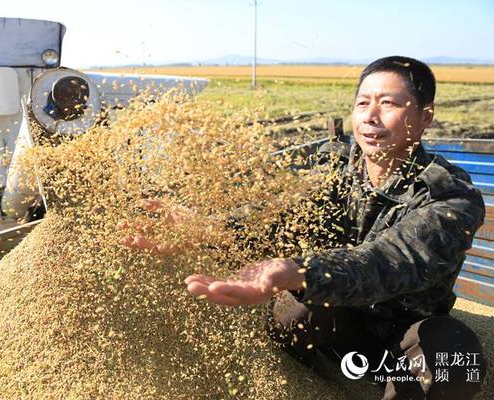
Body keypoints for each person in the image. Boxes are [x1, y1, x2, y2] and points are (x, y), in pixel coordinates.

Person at [124, 56, 487, 399]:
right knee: (293, 311)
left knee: (456, 358)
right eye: (363, 103)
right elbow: (279, 216)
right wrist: (207, 230)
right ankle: (323, 380)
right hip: (331, 317)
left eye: (388, 103)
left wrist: (300, 271)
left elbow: (392, 259)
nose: (371, 117)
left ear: (425, 117)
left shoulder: (451, 196)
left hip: (404, 333)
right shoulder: (335, 170)